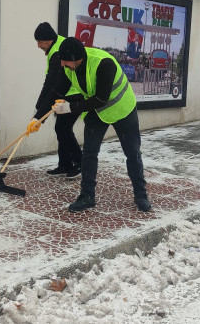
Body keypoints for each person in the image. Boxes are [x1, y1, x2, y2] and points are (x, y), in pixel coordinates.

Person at [53, 37, 151, 213]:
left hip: (122, 109)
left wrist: (69, 108)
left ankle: (141, 195)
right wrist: (40, 115)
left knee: (132, 152)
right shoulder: (69, 68)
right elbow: (58, 90)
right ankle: (87, 196)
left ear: (76, 58)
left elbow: (101, 98)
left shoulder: (104, 63)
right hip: (96, 112)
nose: (62, 64)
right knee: (89, 153)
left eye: (65, 60)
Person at [27, 22, 82, 178]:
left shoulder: (58, 52)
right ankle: (65, 165)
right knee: (61, 129)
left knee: (63, 129)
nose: (38, 46)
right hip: (63, 95)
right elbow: (49, 83)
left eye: (39, 41)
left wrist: (39, 118)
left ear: (49, 39)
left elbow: (53, 87)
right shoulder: (55, 49)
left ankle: (80, 163)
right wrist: (38, 109)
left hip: (73, 95)